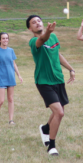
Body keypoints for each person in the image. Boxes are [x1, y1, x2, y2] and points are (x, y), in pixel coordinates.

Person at [27, 15, 76, 156]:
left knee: (59, 112)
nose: (37, 23)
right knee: (59, 112)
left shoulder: (54, 37)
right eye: (33, 23)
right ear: (30, 28)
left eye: (38, 21)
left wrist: (71, 69)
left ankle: (45, 128)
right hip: (44, 81)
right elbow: (42, 40)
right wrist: (47, 32)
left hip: (58, 79)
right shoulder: (33, 41)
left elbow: (57, 54)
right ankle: (51, 146)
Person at [0, 32, 23, 126]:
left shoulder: (11, 50)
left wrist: (19, 75)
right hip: (1, 78)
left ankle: (11, 120)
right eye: (3, 38)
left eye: (7, 38)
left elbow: (14, 63)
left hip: (10, 76)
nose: (5, 40)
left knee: (11, 99)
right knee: (1, 100)